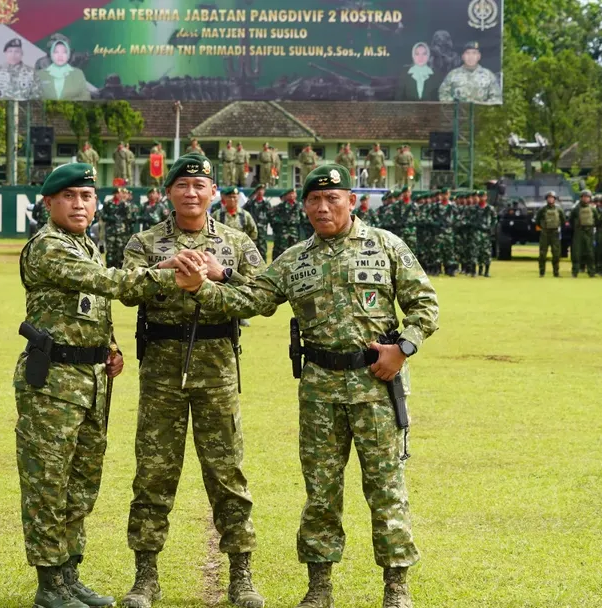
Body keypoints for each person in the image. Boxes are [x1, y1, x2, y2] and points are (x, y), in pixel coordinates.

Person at [185, 164, 439, 608]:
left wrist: (403, 350)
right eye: (314, 201)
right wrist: (208, 283)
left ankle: (396, 589)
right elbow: (253, 299)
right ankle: (319, 587)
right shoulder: (296, 258)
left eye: (332, 199)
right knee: (321, 491)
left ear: (351, 201)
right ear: (304, 206)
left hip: (376, 387)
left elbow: (425, 306)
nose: (323, 208)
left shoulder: (386, 246)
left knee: (386, 488)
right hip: (320, 392)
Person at [13, 161, 203, 608]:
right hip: (53, 383)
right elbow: (105, 283)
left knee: (82, 482)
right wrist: (167, 272)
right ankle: (48, 584)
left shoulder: (86, 245)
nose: (80, 205)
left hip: (91, 381)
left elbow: (88, 306)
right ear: (49, 203)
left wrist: (111, 344)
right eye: (70, 197)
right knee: (48, 485)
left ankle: (69, 573)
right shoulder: (48, 246)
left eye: (86, 197)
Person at [119, 153, 267, 608]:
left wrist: (217, 278)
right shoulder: (144, 242)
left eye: (199, 186)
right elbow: (124, 289)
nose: (190, 193)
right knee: (154, 472)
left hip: (217, 366)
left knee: (227, 472)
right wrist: (166, 275)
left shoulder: (237, 242)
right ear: (169, 192)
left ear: (213, 193)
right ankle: (146, 577)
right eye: (182, 185)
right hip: (162, 367)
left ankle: (241, 575)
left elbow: (261, 297)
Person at [36, 35, 97, 101]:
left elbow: (85, 97)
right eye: (56, 52)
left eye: (64, 52)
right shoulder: (41, 67)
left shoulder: (78, 74)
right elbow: (34, 95)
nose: (60, 55)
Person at [438, 41, 502, 104]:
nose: (471, 56)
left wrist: (483, 108)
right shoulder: (453, 75)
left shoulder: (488, 75)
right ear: (462, 56)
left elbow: (496, 97)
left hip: (481, 113)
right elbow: (443, 93)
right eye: (467, 53)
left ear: (479, 56)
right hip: (458, 113)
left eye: (474, 53)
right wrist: (454, 107)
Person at [534, 191, 564, 277]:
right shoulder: (542, 209)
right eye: (549, 198)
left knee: (556, 254)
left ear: (554, 199)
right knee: (543, 253)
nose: (550, 199)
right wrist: (543, 227)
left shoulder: (559, 209)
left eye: (552, 198)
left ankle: (556, 272)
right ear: (547, 199)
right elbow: (537, 221)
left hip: (555, 233)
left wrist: (557, 227)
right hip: (545, 233)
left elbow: (563, 220)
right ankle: (542, 272)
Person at [570, 190, 596, 277]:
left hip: (589, 232)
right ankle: (575, 272)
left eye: (588, 197)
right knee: (576, 253)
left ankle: (591, 272)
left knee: (590, 253)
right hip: (579, 232)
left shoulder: (592, 209)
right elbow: (570, 220)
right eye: (584, 197)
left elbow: (597, 219)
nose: (586, 199)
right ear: (581, 198)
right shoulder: (576, 209)